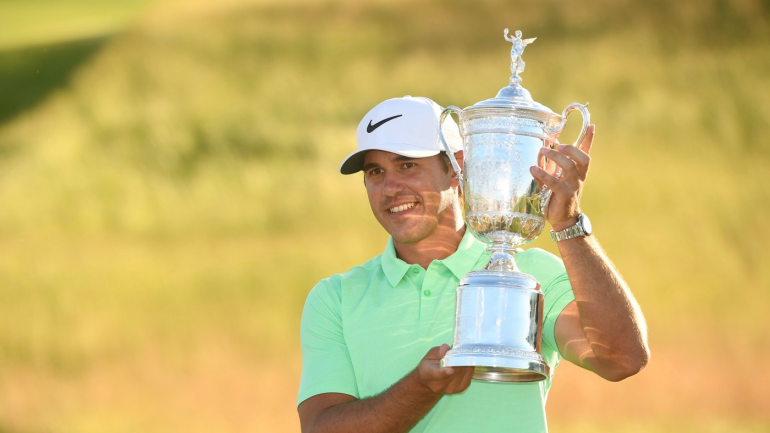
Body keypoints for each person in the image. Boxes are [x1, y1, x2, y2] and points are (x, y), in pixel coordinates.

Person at [296, 96, 650, 433]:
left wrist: (567, 223)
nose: (390, 187)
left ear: (456, 169)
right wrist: (421, 387)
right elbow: (319, 428)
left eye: (407, 165)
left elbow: (622, 360)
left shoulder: (532, 275)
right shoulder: (336, 298)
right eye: (375, 171)